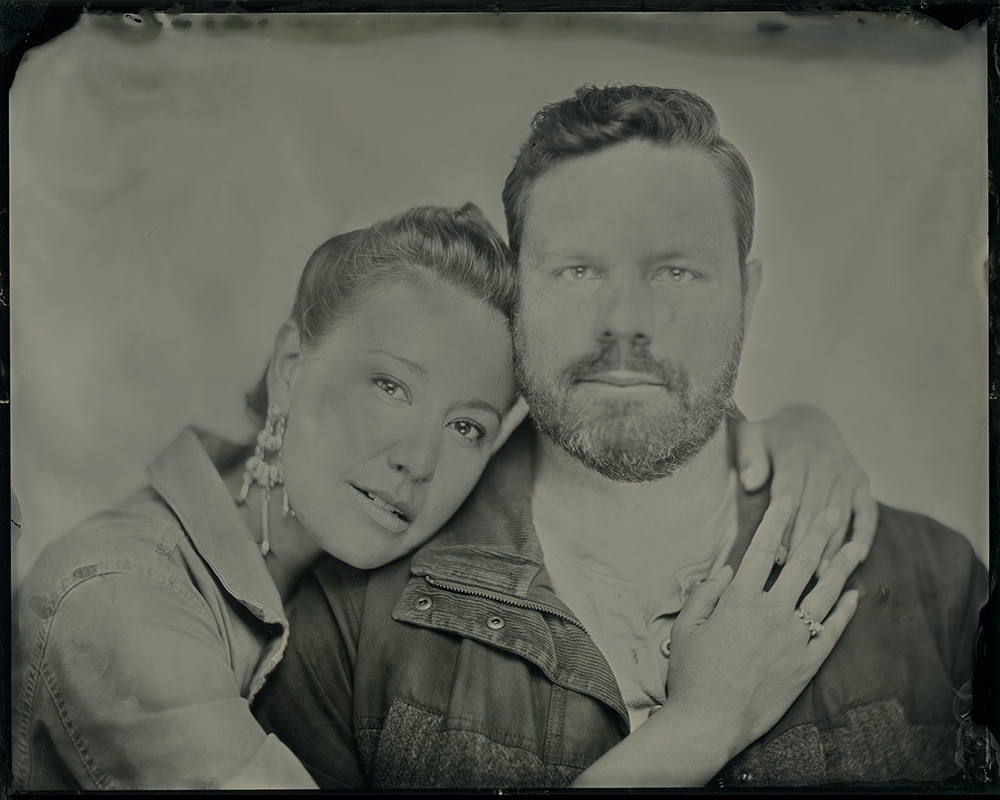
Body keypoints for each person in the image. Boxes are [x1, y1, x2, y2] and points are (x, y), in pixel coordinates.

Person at [254, 85, 989, 789]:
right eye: (577, 269)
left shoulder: (940, 585)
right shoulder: (345, 626)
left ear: (747, 297)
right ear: (517, 300)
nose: (626, 321)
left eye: (676, 272)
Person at [11, 202, 877, 791]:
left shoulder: (318, 554)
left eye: (467, 426)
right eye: (390, 387)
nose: (416, 461)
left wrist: (792, 432)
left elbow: (595, 435)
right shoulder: (118, 602)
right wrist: (699, 727)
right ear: (289, 368)